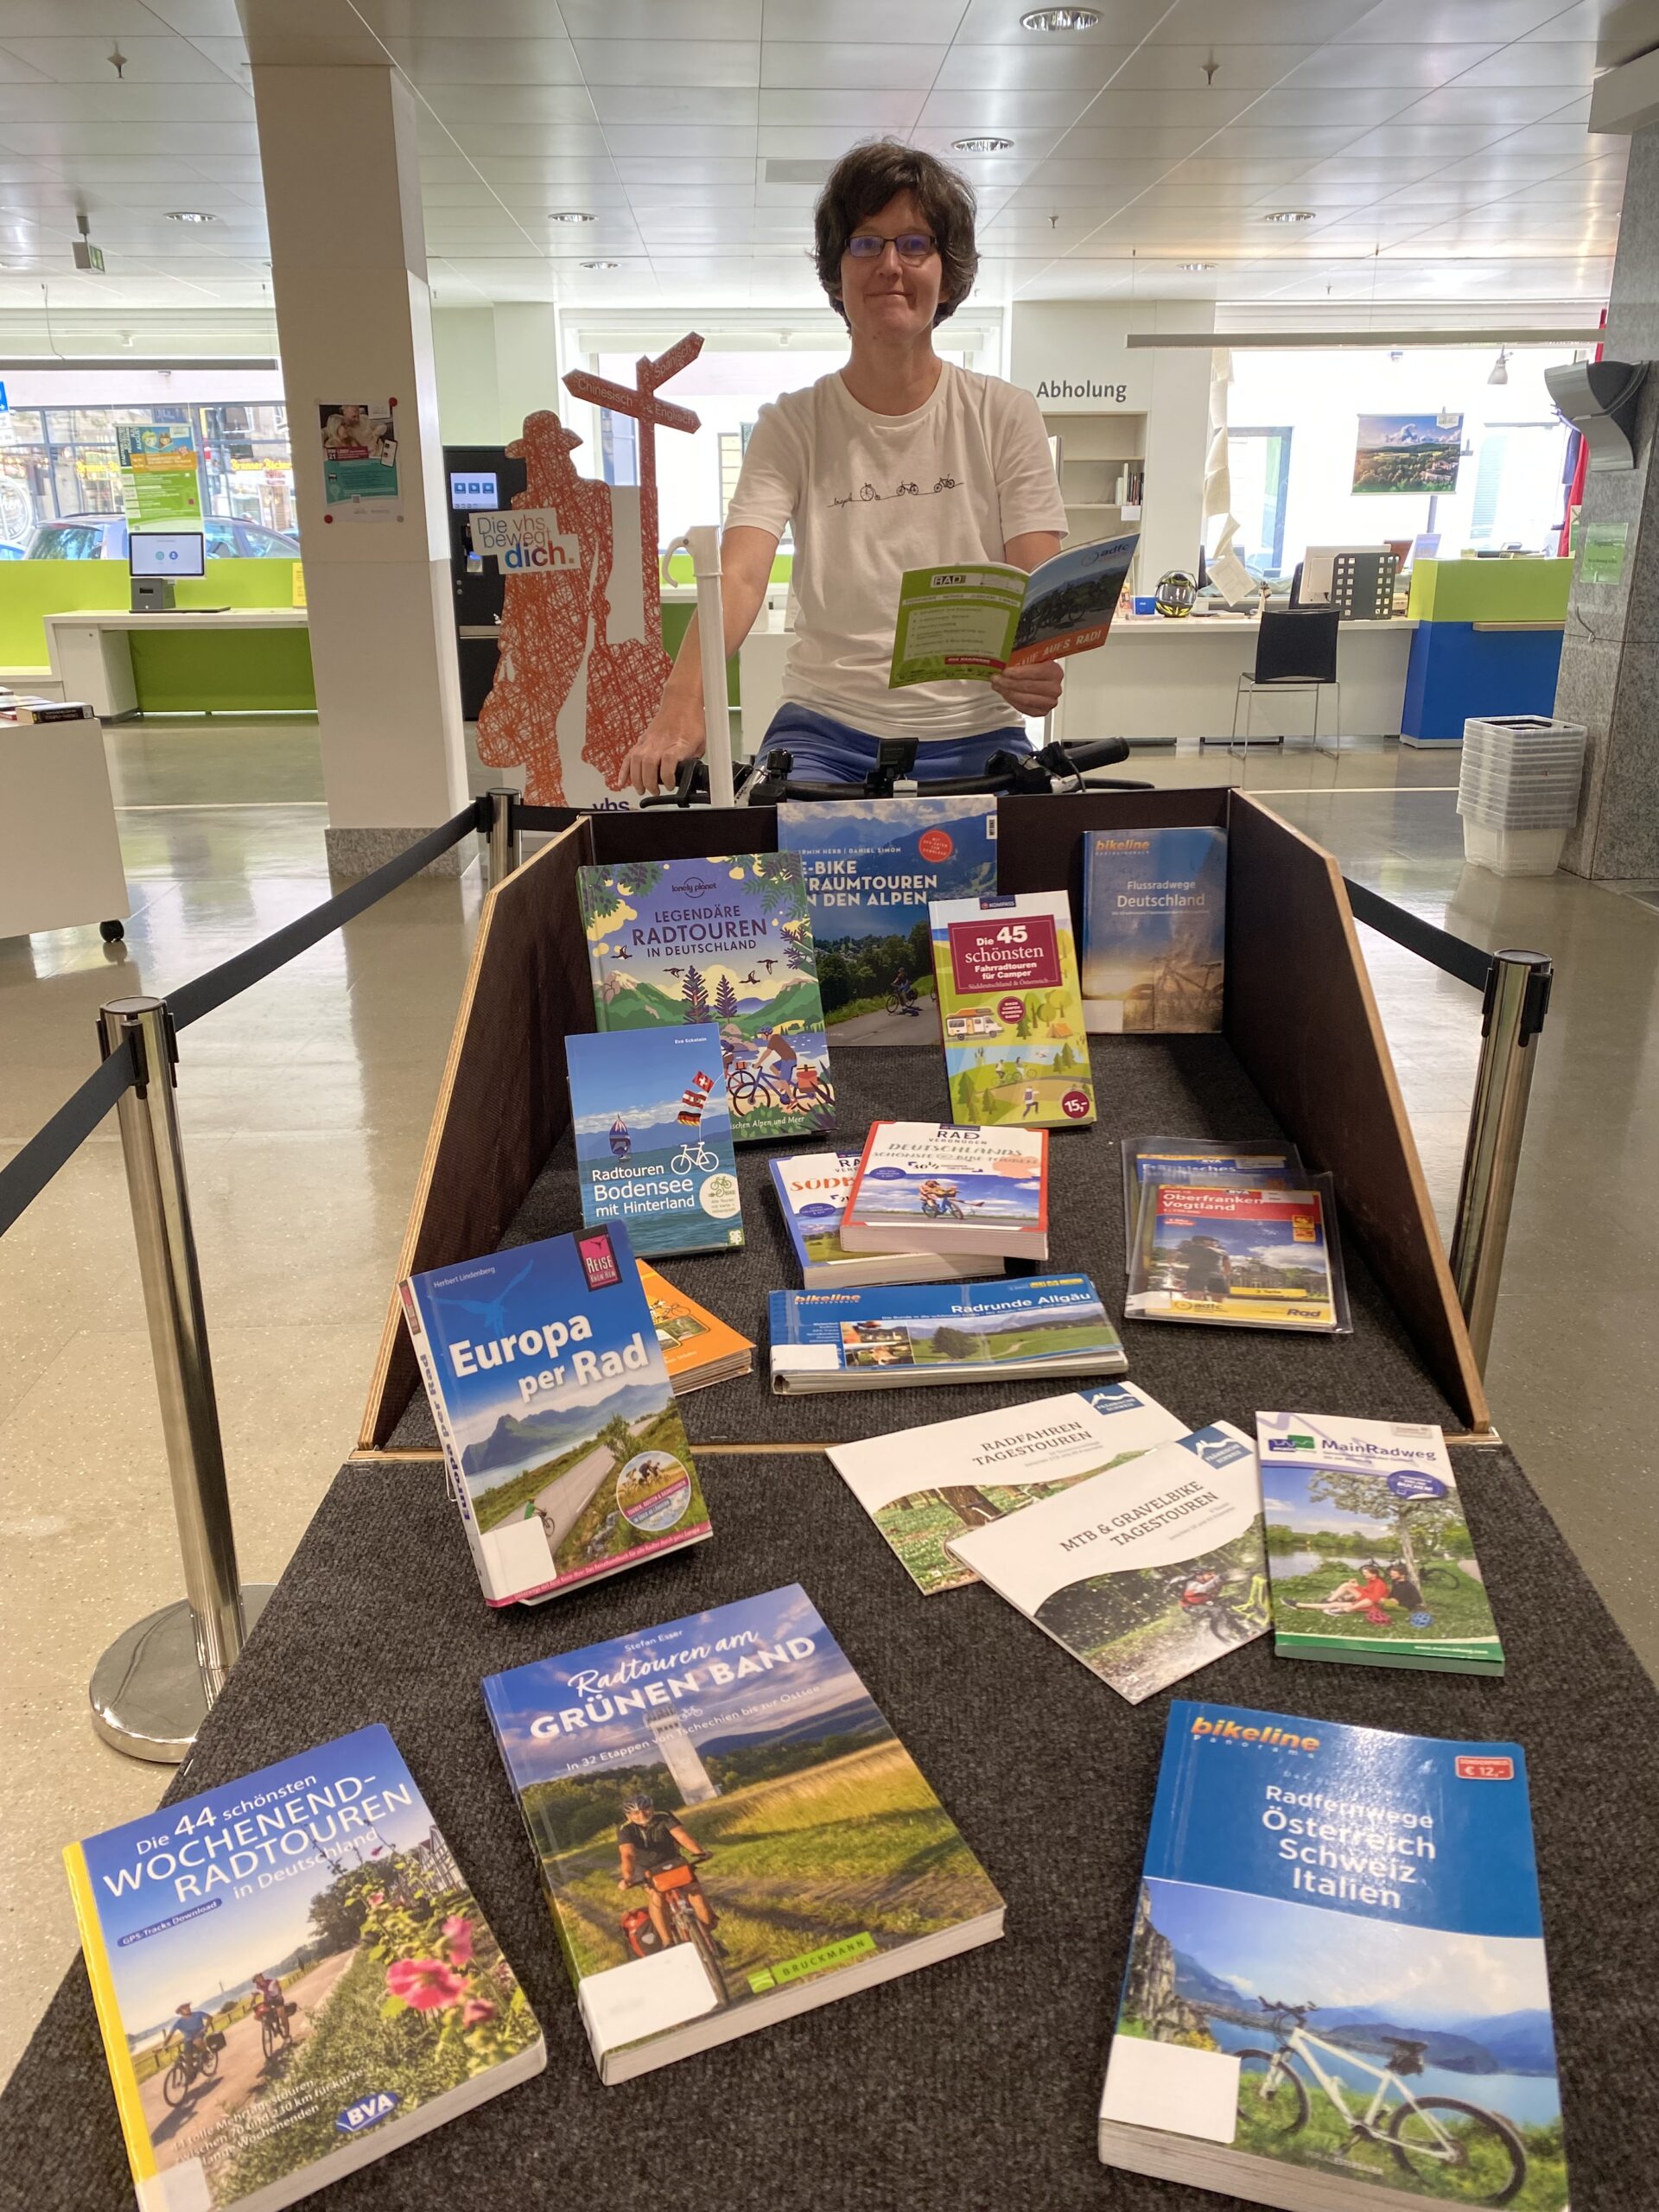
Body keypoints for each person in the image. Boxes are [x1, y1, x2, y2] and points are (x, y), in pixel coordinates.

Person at [621, 140, 1067, 796]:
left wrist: (1041, 662)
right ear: (838, 271)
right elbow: (741, 575)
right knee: (794, 879)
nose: (891, 264)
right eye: (867, 243)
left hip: (980, 730)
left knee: (996, 892)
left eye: (915, 244)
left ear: (948, 272)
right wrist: (681, 702)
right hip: (824, 733)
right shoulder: (792, 424)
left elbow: (1038, 578)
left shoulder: (1004, 413)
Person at [614, 1792, 723, 1955]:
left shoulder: (664, 1817)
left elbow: (681, 1836)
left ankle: (707, 1937)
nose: (642, 1815)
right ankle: (667, 1941)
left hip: (674, 1862)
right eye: (636, 1813)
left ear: (652, 1808)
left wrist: (699, 1852)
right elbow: (628, 1854)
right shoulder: (626, 1829)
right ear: (628, 1815)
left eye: (645, 1809)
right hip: (647, 1869)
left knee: (696, 1894)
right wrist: (628, 1878)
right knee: (657, 1898)